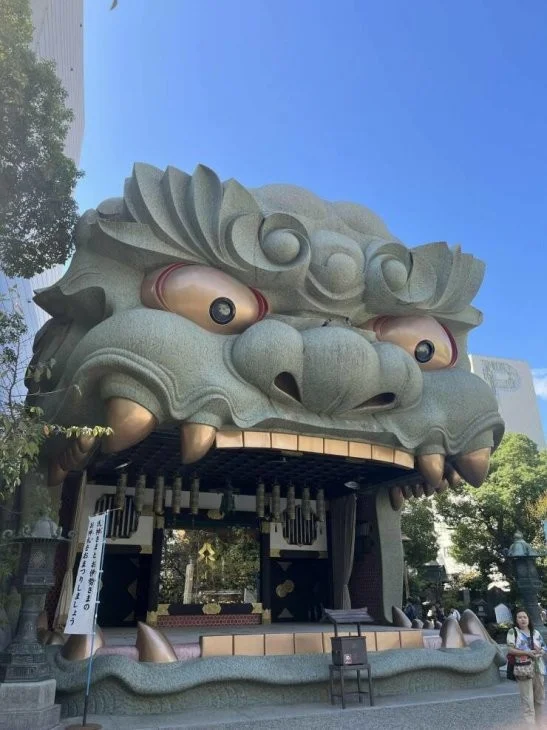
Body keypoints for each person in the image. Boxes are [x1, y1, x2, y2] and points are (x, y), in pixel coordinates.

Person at [506, 607, 546, 726]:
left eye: (525, 617)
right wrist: (527, 653)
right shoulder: (513, 632)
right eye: (519, 617)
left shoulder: (536, 632)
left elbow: (544, 648)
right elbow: (510, 649)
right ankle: (530, 727)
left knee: (539, 699)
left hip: (538, 669)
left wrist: (540, 651)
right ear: (516, 619)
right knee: (527, 701)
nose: (523, 619)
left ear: (529, 619)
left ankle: (540, 725)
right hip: (523, 669)